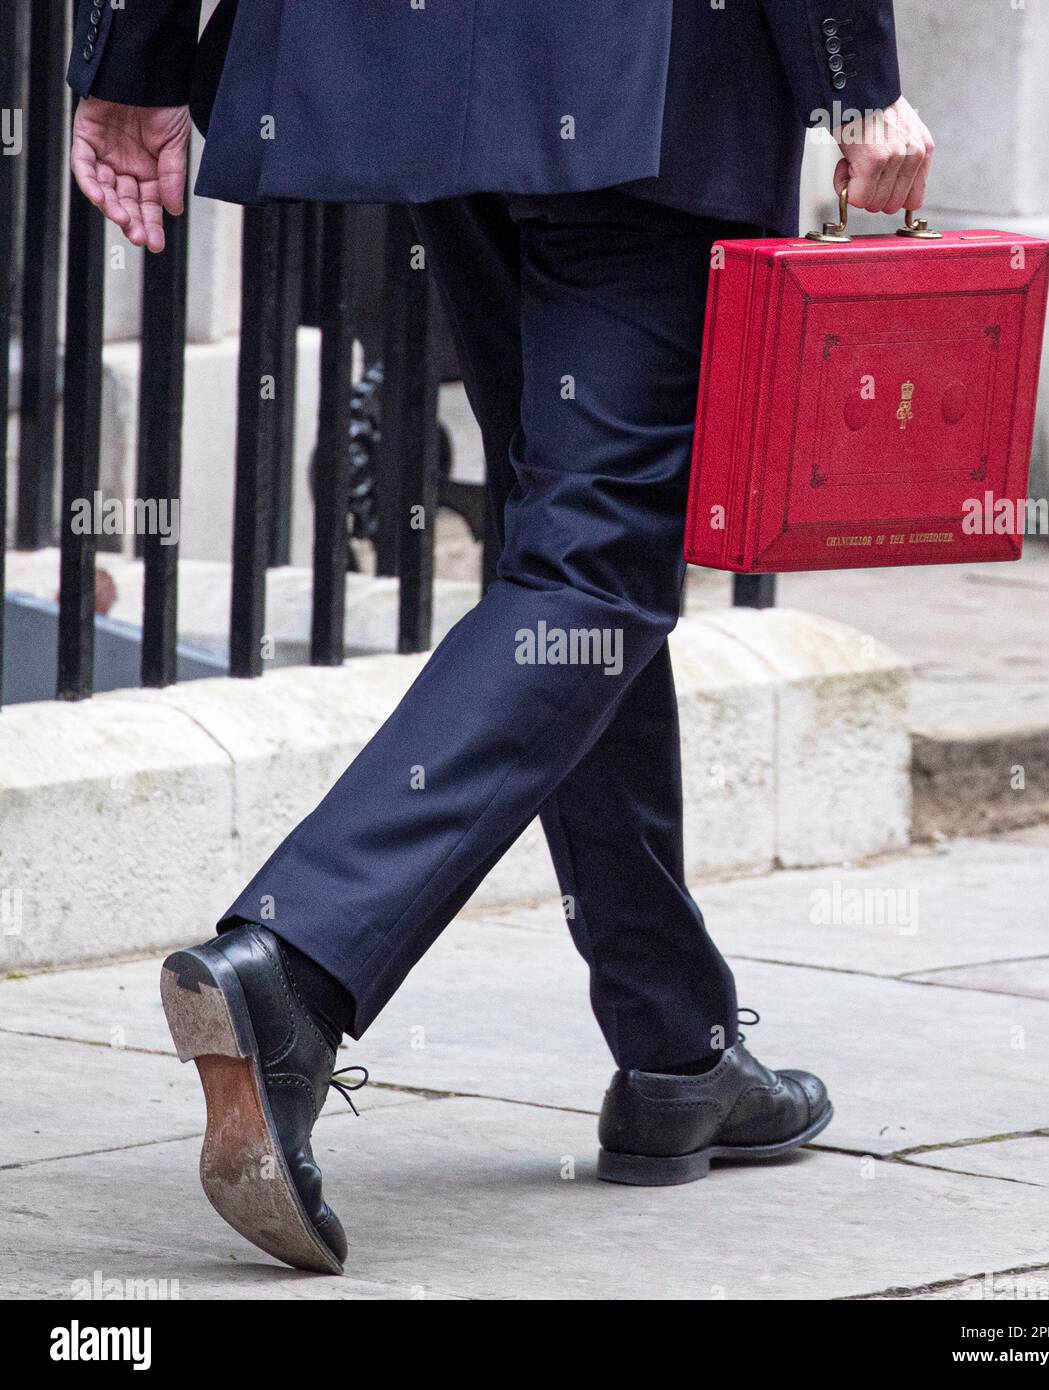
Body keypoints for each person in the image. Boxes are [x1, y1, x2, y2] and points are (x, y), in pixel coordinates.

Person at [69, 1, 933, 1274]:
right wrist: (859, 80)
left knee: (570, 562)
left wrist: (133, 58)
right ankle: (293, 965)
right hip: (647, 79)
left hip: (422, 66)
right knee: (590, 571)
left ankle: (675, 1044)